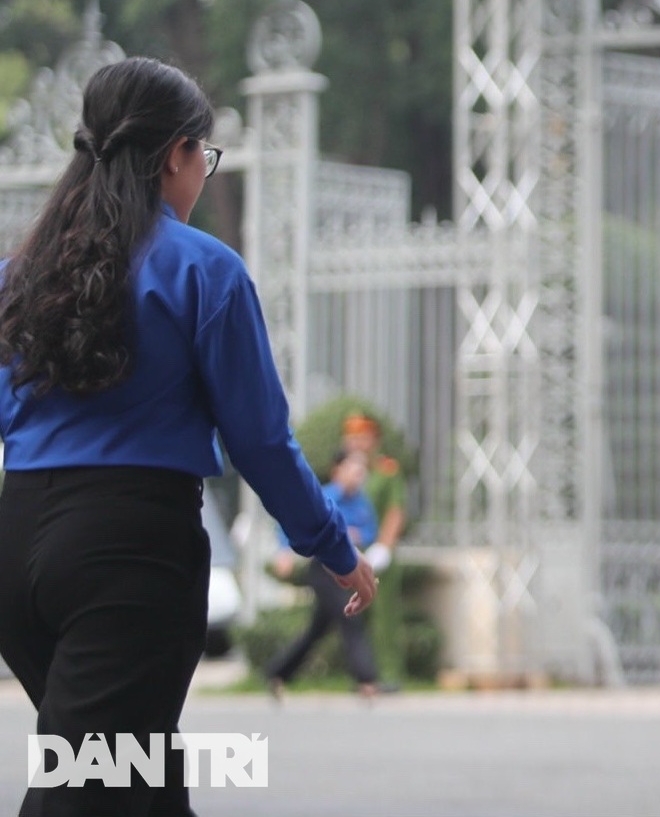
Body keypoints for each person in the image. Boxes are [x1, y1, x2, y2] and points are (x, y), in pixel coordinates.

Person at [0, 56, 377, 810]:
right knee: (88, 792)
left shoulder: (20, 273)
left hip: (18, 548)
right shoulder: (205, 269)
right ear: (175, 153)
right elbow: (262, 441)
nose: (204, 173)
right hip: (129, 554)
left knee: (139, 783)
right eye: (204, 155)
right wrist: (334, 548)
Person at [266, 449, 382, 699]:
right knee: (350, 617)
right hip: (323, 568)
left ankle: (277, 672)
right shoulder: (323, 496)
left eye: (362, 471)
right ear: (337, 470)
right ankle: (367, 680)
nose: (358, 476)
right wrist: (284, 551)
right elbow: (295, 521)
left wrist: (357, 536)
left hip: (350, 567)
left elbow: (371, 530)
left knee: (317, 629)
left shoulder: (362, 502)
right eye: (353, 469)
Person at [341, 411, 406, 687]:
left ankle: (389, 673)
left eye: (363, 437)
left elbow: (395, 511)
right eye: (352, 437)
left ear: (375, 439)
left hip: (378, 553)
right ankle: (361, 674)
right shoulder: (344, 472)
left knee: (384, 616)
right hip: (349, 553)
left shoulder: (386, 471)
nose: (357, 443)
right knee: (350, 617)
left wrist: (384, 547)